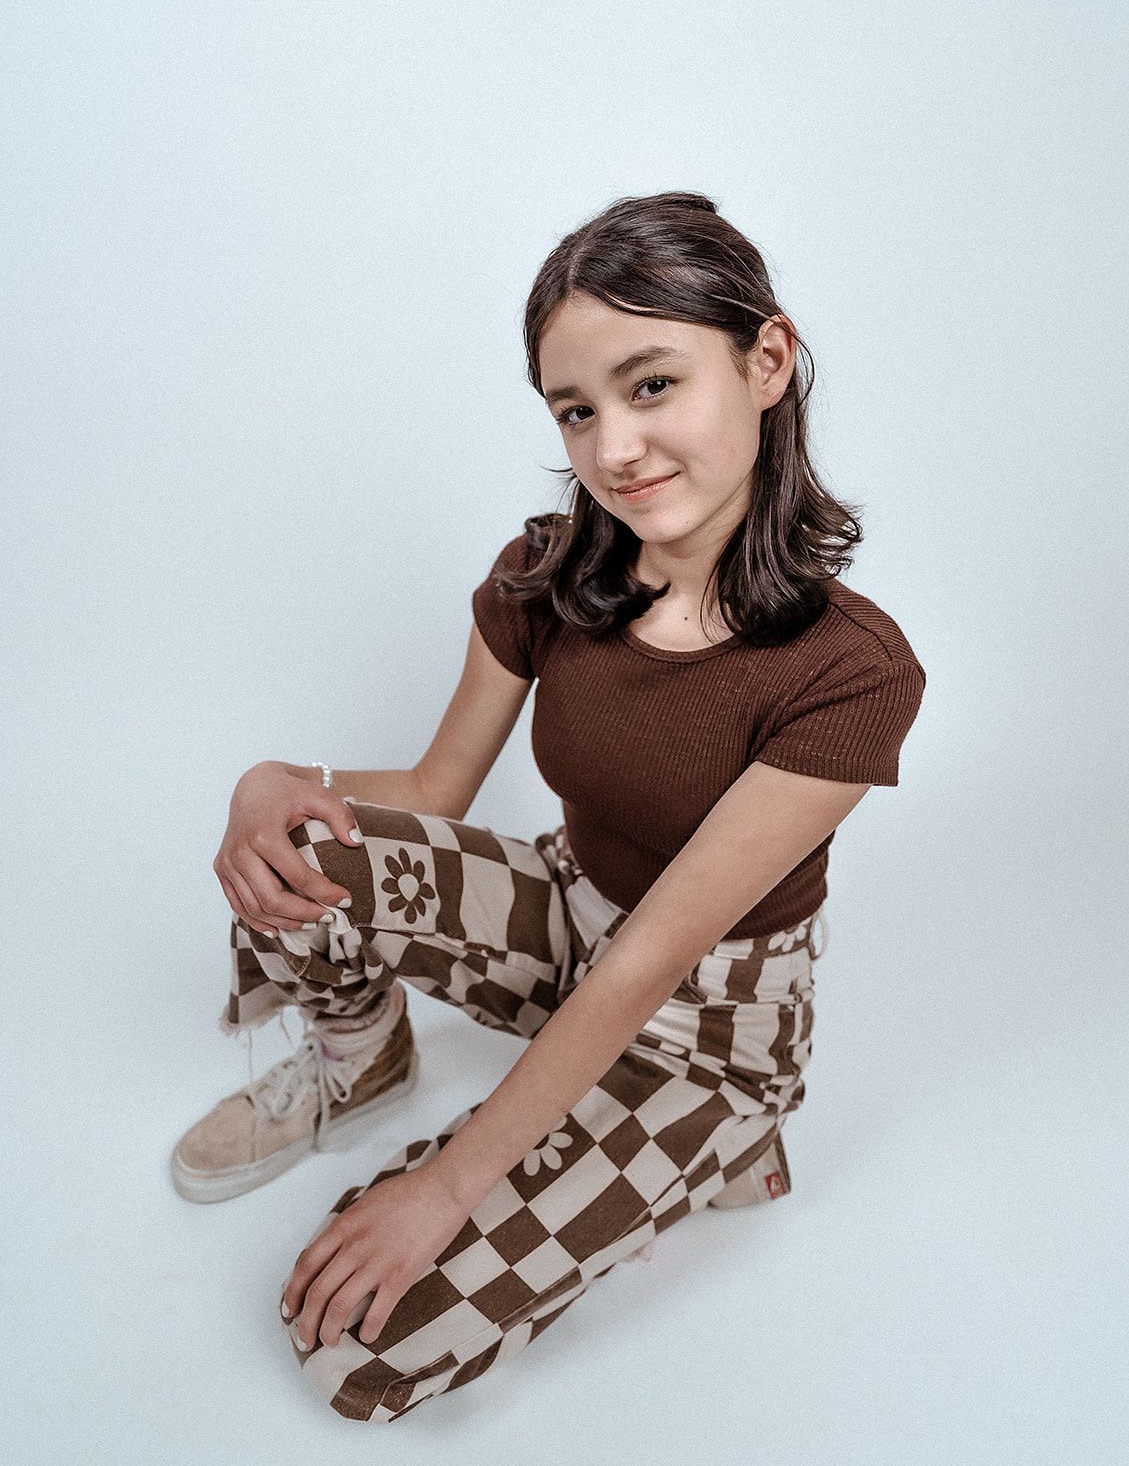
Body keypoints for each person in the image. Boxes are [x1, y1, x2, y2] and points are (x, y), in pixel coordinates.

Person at [171, 190, 926, 1423]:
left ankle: (720, 1142)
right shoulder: (549, 571)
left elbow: (649, 964)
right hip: (565, 919)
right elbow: (429, 794)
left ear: (767, 361)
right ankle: (359, 1069)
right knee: (296, 843)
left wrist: (449, 1184)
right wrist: (278, 781)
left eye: (651, 385)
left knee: (356, 1358)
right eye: (576, 410)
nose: (614, 448)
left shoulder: (849, 673)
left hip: (706, 1025)